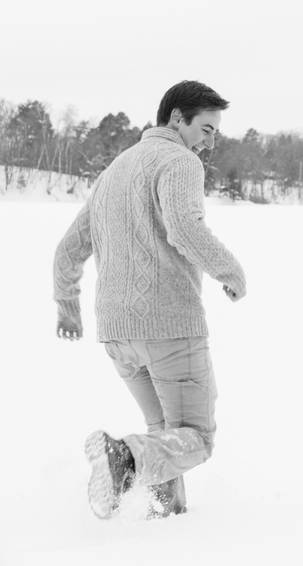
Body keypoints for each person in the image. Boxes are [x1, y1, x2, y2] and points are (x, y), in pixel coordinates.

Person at [53, 80, 246, 519]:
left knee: (165, 431)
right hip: (169, 326)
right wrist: (230, 271)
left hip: (118, 335)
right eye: (207, 129)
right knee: (196, 435)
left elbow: (68, 250)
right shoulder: (180, 162)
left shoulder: (114, 171)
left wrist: (68, 307)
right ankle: (125, 459)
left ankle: (166, 515)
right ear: (177, 118)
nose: (211, 142)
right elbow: (184, 228)